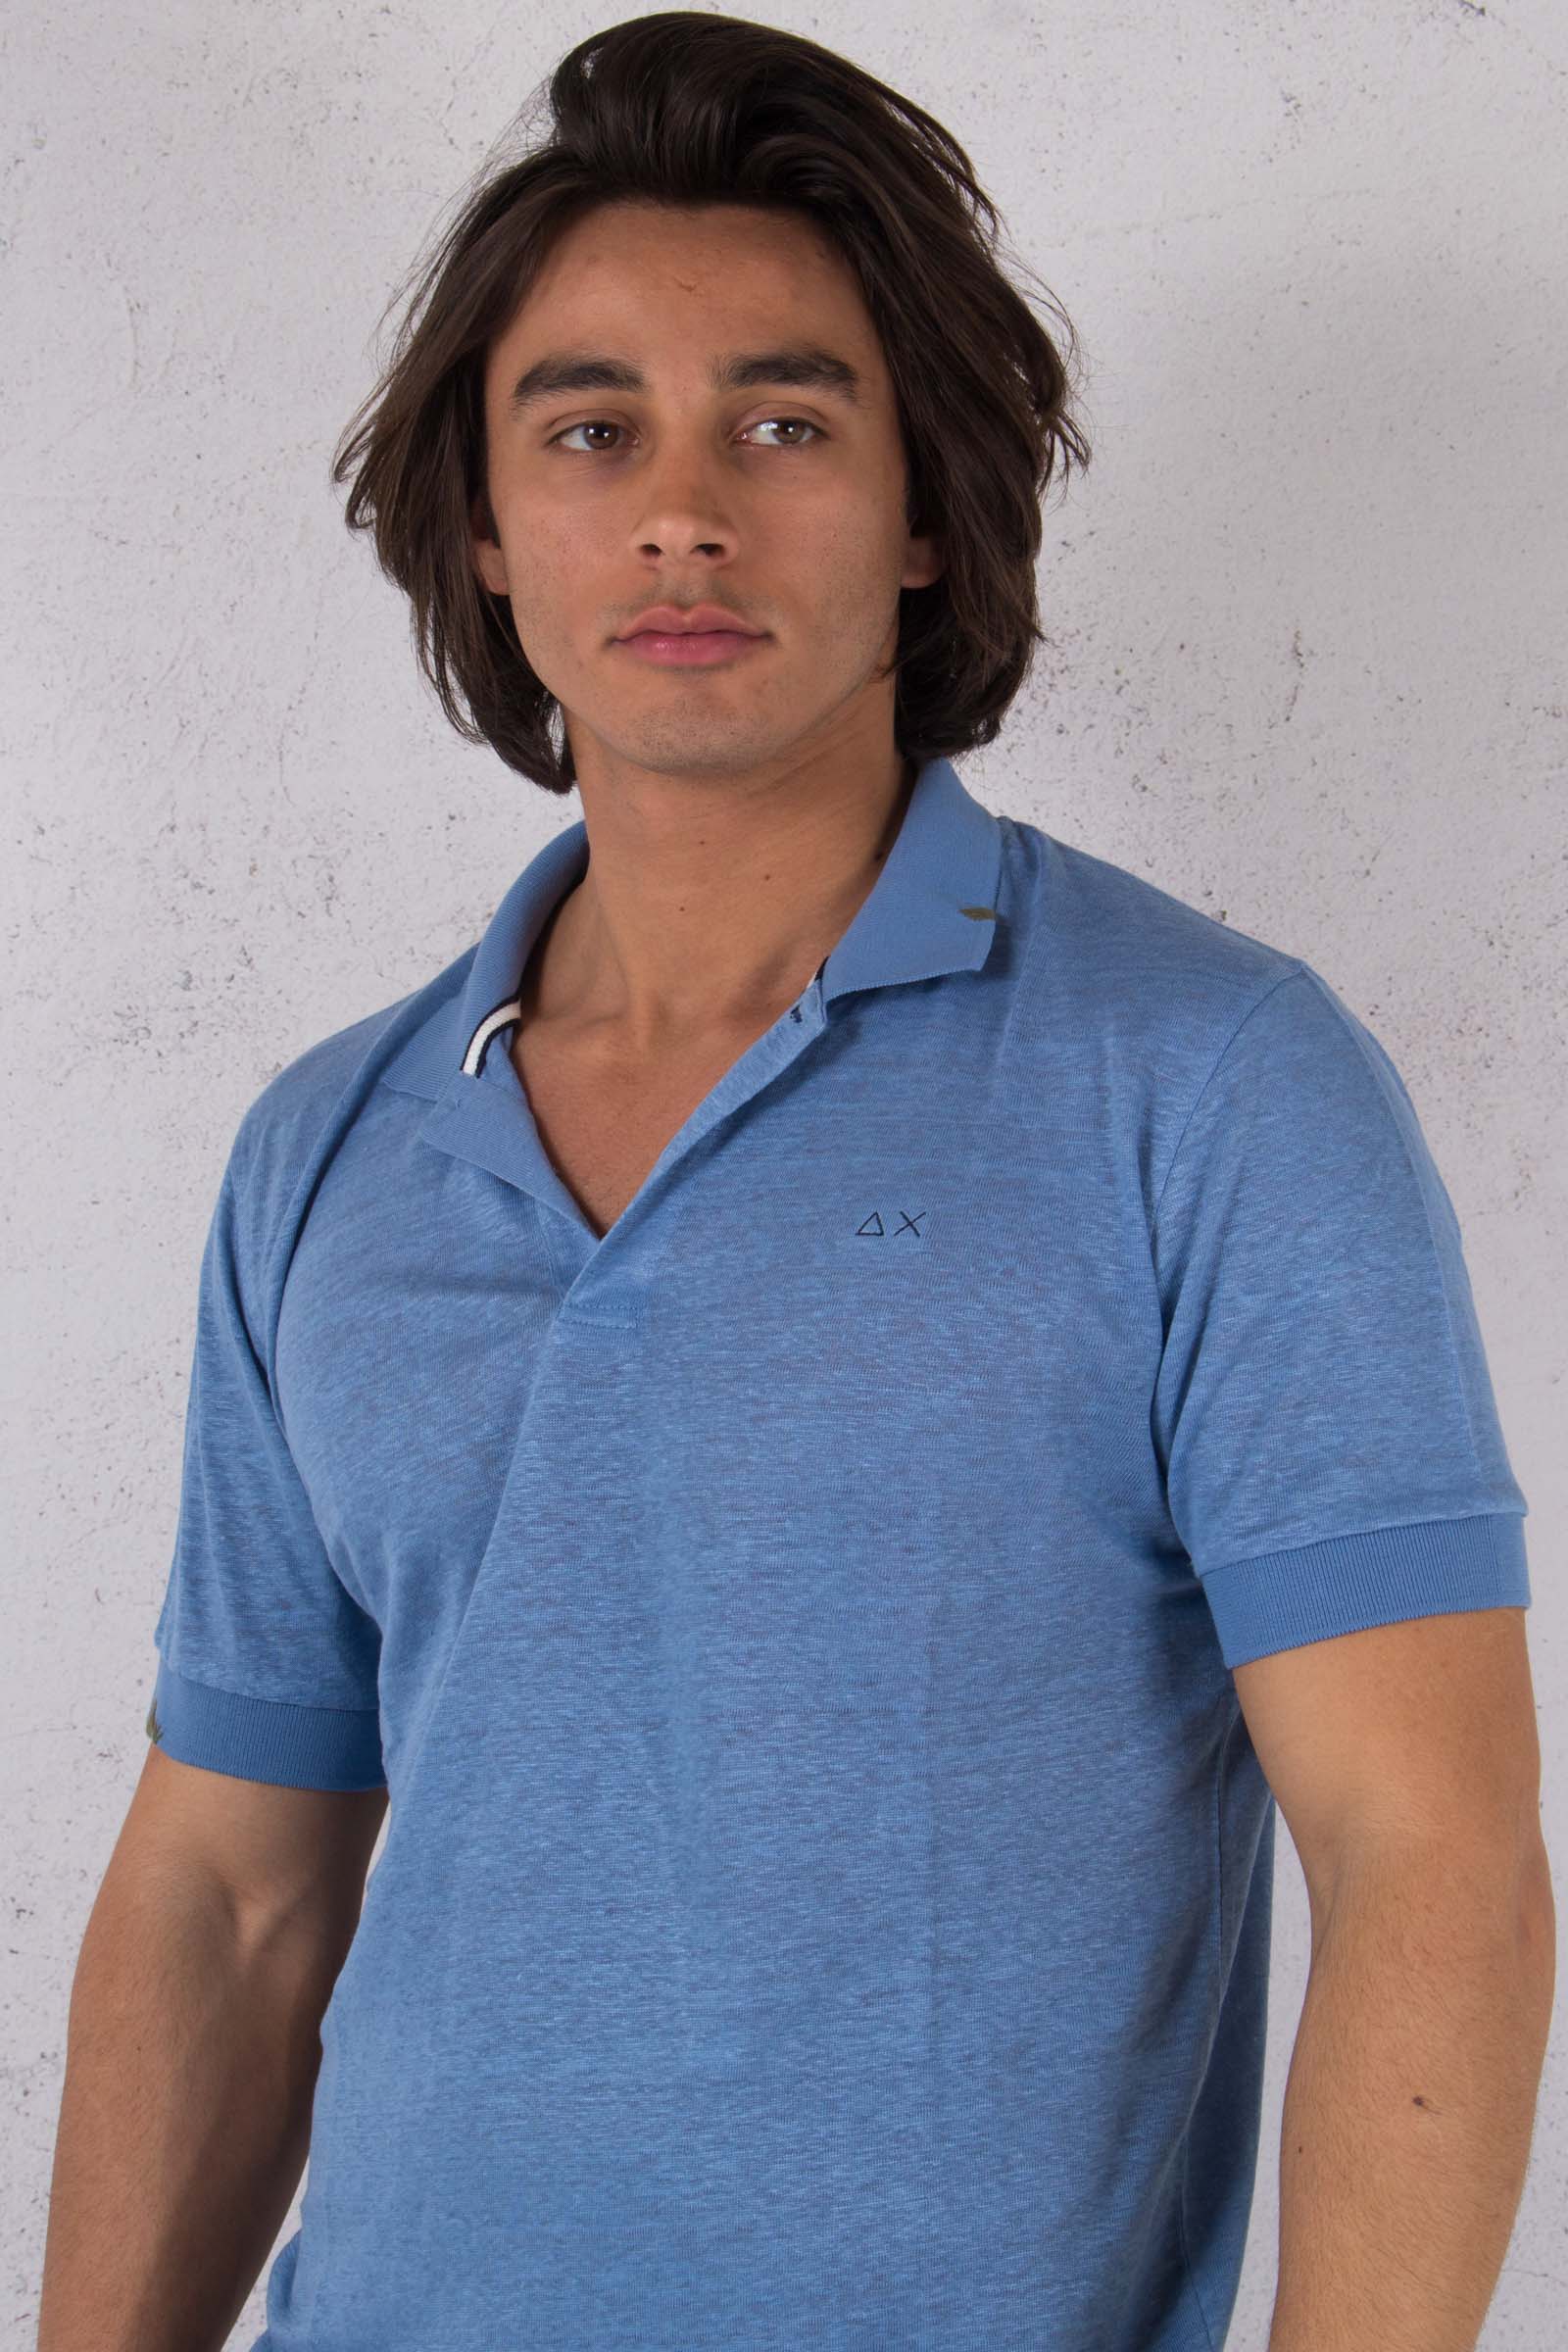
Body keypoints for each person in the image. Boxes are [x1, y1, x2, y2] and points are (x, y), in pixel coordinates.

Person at [38, 14, 1541, 2352]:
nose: (680, 512)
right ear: (483, 528)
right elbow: (228, 1893)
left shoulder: (1211, 1085)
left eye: (781, 421)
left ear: (921, 508)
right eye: (588, 430)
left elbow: (1422, 1856)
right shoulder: (327, 1147)